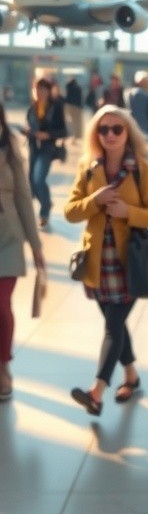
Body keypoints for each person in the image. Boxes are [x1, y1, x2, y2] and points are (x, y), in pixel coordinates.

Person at [64, 105, 148, 416]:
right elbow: (70, 211)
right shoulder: (89, 168)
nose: (109, 134)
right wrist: (94, 202)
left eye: (116, 129)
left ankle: (96, 392)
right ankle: (131, 377)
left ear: (128, 133)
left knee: (112, 327)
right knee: (116, 325)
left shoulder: (140, 171)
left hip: (129, 265)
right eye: (103, 129)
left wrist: (128, 213)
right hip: (97, 265)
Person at [0, 102, 46, 400]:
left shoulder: (10, 148)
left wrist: (36, 246)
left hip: (8, 241)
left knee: (1, 308)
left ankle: (3, 367)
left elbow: (24, 198)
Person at [22, 77, 68, 229]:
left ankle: (44, 213)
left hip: (47, 149)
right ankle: (47, 203)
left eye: (43, 89)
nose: (40, 93)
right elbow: (30, 125)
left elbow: (63, 131)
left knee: (39, 180)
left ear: (48, 91)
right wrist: (27, 131)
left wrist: (48, 135)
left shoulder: (56, 106)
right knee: (32, 184)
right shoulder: (32, 108)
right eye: (37, 90)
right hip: (33, 148)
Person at [64, 75, 83, 142]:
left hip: (70, 105)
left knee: (71, 121)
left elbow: (67, 96)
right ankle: (78, 135)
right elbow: (80, 98)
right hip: (77, 106)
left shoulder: (68, 86)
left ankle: (73, 135)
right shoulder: (79, 87)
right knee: (78, 121)